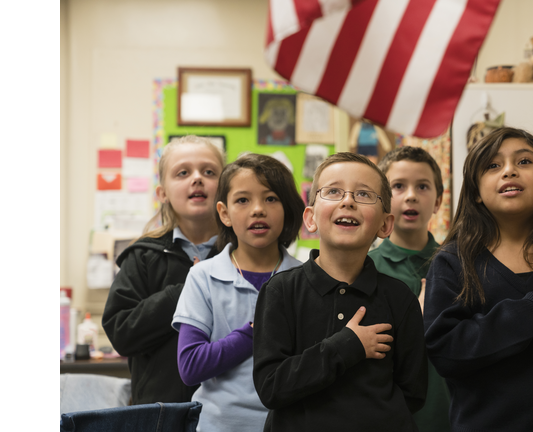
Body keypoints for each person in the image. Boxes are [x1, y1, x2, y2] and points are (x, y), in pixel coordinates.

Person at [424, 127, 533, 432]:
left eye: (524, 162)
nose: (509, 171)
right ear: (475, 190)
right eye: (493, 165)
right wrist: (529, 312)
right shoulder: (452, 262)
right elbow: (446, 353)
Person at [252, 152, 428, 432]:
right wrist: (347, 346)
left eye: (363, 194)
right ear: (310, 218)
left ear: (385, 224)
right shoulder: (280, 291)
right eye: (333, 191)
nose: (348, 201)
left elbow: (413, 393)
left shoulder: (399, 297)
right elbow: (270, 387)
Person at [171, 153, 305, 431]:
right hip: (218, 425)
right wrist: (256, 330)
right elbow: (191, 366)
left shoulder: (305, 279)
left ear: (288, 209)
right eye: (243, 200)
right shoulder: (203, 276)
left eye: (271, 198)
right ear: (224, 212)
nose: (258, 209)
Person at [102, 135, 224, 404]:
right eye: (183, 172)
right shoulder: (143, 256)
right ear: (163, 194)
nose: (197, 178)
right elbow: (121, 333)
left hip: (229, 415)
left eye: (209, 172)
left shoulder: (244, 254)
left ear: (226, 187)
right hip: (160, 414)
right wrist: (186, 291)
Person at [368, 146, 451, 432]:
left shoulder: (458, 264)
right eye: (398, 186)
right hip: (389, 415)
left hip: (449, 412)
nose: (411, 195)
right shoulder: (366, 268)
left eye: (423, 186)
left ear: (438, 201)